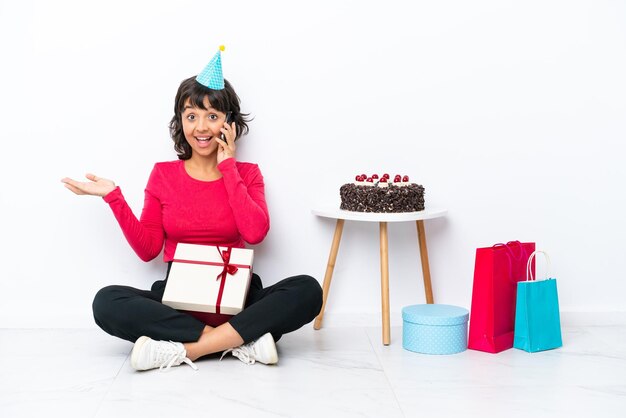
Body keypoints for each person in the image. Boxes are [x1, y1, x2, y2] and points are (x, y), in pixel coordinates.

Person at [61, 48, 323, 372]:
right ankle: (240, 341)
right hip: (177, 300)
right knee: (106, 302)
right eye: (191, 116)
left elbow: (255, 233)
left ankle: (185, 349)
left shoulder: (248, 173)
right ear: (180, 120)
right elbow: (148, 250)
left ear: (228, 122)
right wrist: (114, 197)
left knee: (307, 290)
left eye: (212, 116)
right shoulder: (163, 175)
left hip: (238, 299)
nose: (201, 127)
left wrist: (229, 169)